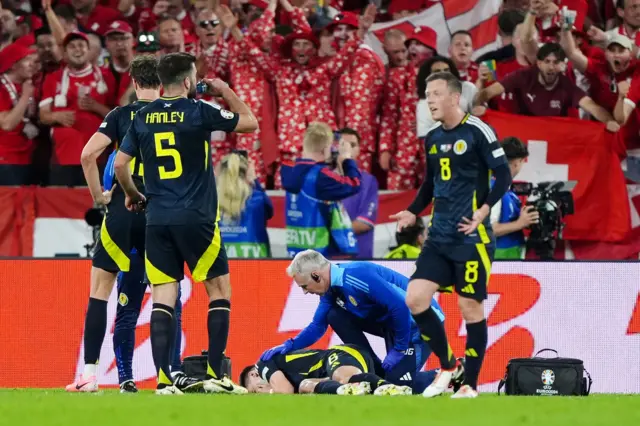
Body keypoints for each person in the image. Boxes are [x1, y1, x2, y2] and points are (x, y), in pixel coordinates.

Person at [113, 52, 258, 395]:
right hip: (197, 218)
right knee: (219, 291)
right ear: (190, 81)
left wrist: (133, 195)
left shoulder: (142, 116)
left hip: (157, 218)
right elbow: (249, 122)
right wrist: (224, 91)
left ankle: (164, 381)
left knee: (164, 296)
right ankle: (217, 375)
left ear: (161, 81)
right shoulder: (199, 110)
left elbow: (120, 166)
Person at [391, 72, 512, 399]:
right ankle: (449, 366)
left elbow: (502, 175)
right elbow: (430, 184)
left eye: (435, 93)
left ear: (454, 97)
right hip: (438, 237)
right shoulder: (432, 138)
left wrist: (484, 211)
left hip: (471, 238)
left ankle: (469, 384)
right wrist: (413, 210)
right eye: (427, 94)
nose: (429, 99)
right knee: (415, 298)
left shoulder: (478, 131)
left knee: (469, 306)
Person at [67, 55, 169, 393]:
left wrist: (100, 196)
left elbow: (86, 156)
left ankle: (90, 375)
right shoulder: (176, 115)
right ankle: (170, 378)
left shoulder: (120, 115)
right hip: (161, 214)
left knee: (100, 293)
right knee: (167, 294)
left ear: (134, 84)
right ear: (163, 84)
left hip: (123, 211)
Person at [260, 250, 459, 390]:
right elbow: (317, 326)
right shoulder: (331, 290)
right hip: (393, 323)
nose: (304, 292)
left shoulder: (357, 275)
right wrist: (289, 345)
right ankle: (371, 363)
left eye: (304, 286)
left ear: (316, 275)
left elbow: (400, 307)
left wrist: (398, 349)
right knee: (334, 314)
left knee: (397, 387)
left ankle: (457, 369)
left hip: (421, 324)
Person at [282, 122, 361, 258]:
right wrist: (347, 159)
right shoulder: (320, 176)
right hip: (321, 254)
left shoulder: (287, 170)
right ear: (326, 149)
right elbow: (354, 184)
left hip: (297, 250)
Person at [240, 344, 412, 395]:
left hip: (340, 353)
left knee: (341, 377)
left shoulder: (263, 362)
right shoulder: (293, 380)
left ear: (254, 374)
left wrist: (269, 391)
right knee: (306, 386)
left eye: (255, 390)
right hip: (330, 371)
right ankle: (349, 390)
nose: (259, 393)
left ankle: (388, 386)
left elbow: (284, 392)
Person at [217, 150, 273, 258]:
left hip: (221, 271)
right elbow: (269, 211)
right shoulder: (257, 200)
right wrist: (254, 180)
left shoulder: (210, 202)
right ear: (247, 173)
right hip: (256, 267)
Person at [490, 137, 539, 260]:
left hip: (511, 256)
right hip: (500, 258)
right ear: (518, 162)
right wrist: (520, 223)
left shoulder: (507, 190)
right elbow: (489, 229)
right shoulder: (495, 189)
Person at [339, 128, 378, 259]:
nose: (348, 149)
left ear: (359, 150)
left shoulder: (369, 181)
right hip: (328, 262)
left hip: (359, 259)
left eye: (353, 145)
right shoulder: (323, 178)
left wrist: (331, 231)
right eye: (344, 144)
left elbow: (364, 223)